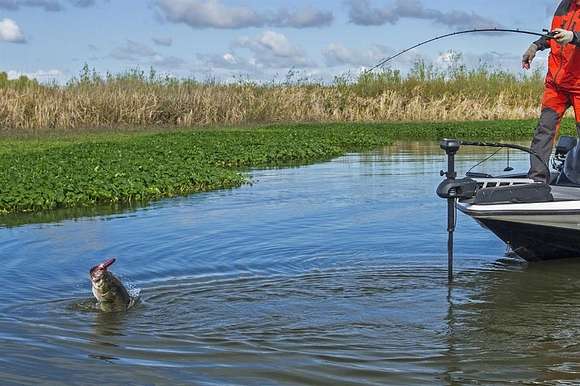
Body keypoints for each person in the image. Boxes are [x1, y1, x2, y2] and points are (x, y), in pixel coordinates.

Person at [522, 0, 580, 182]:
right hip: (556, 84)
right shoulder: (564, 5)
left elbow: (569, 35)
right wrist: (536, 45)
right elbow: (555, 34)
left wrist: (573, 36)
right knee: (543, 131)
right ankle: (537, 181)